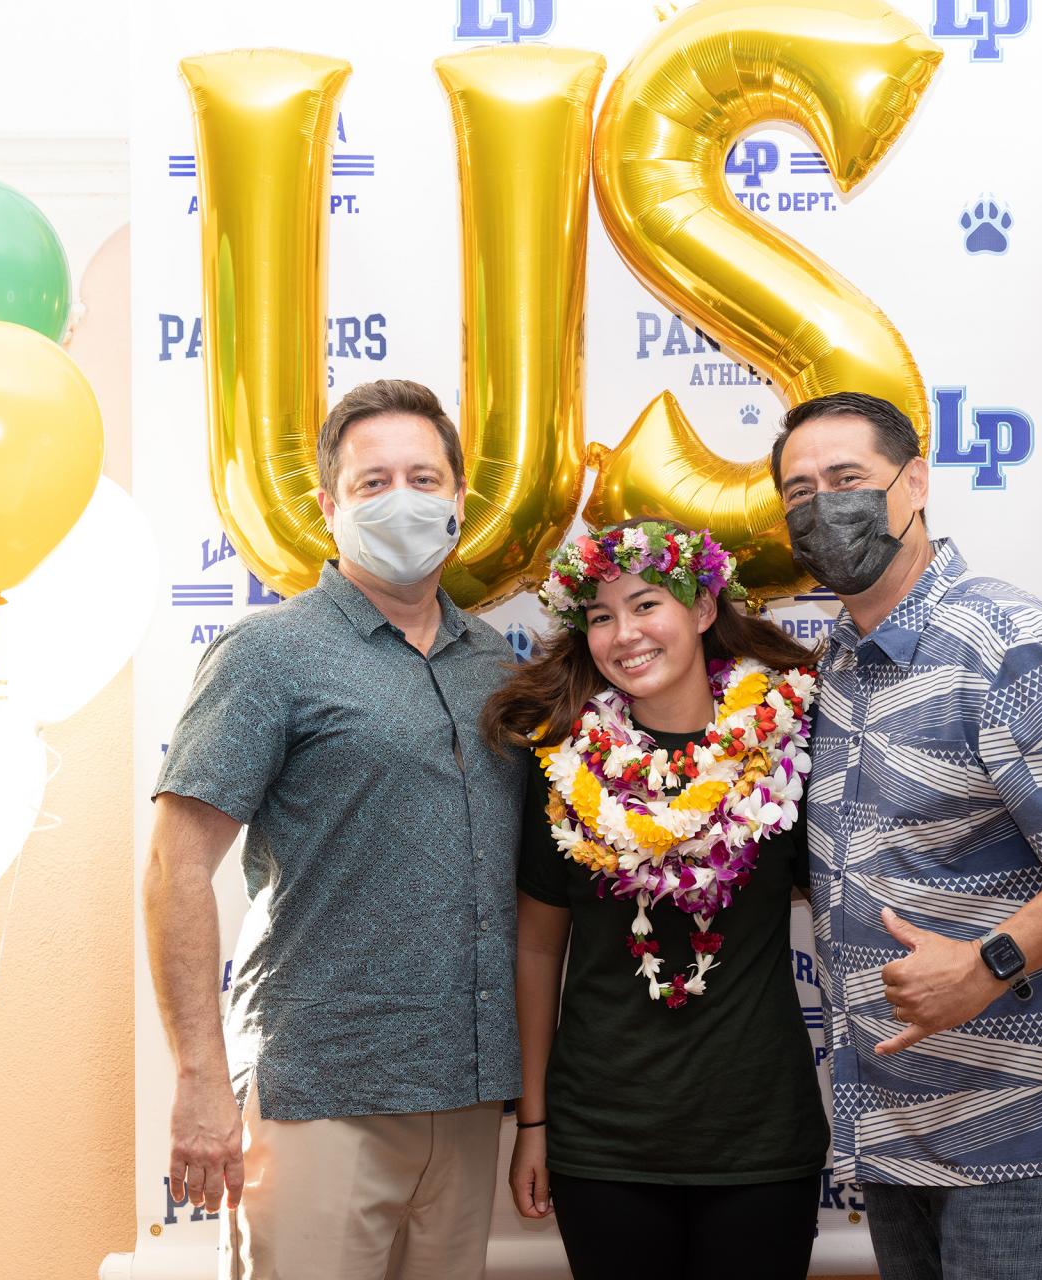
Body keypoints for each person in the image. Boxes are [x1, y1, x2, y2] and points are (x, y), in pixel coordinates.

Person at [771, 391, 1042, 1280]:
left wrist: (987, 965)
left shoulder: (1004, 640)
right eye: (799, 492)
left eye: (847, 478)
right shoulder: (841, 662)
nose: (824, 507)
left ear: (915, 480)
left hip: (1022, 1131)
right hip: (898, 1125)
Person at [142, 379, 523, 1280]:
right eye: (373, 481)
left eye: (424, 477)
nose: (403, 499)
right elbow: (175, 869)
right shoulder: (269, 655)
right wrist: (199, 1079)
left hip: (467, 1099)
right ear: (329, 506)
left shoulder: (495, 666)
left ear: (457, 502)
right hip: (324, 1092)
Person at [482, 518, 830, 1280]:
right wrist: (532, 1123)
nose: (623, 633)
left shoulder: (787, 748)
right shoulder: (562, 765)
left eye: (646, 605)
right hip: (602, 1139)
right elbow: (538, 948)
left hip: (760, 1135)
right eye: (600, 616)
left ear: (703, 609)